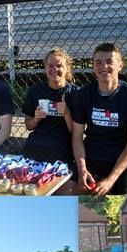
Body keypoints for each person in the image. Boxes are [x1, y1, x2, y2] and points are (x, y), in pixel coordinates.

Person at [70, 42, 127, 196]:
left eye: (109, 61)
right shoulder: (84, 94)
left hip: (122, 164)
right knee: (64, 191)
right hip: (92, 158)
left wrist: (111, 179)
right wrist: (82, 169)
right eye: (98, 62)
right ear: (93, 67)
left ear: (120, 65)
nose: (103, 66)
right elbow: (77, 136)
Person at [23, 48, 77, 177]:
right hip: (36, 144)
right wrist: (36, 119)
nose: (54, 69)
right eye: (50, 66)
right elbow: (28, 126)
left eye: (59, 66)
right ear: (45, 67)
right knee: (23, 177)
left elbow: (76, 133)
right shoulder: (35, 91)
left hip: (61, 147)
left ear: (67, 68)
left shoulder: (76, 93)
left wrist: (67, 113)